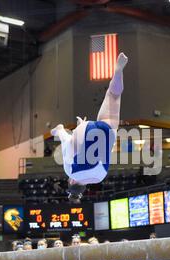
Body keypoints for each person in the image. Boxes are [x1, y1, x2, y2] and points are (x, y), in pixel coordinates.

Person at [51, 53, 128, 201]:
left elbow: (103, 151)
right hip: (86, 133)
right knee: (67, 139)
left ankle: (119, 71)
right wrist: (62, 131)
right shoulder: (71, 172)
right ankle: (66, 129)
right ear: (71, 181)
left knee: (114, 96)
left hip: (106, 134)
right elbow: (68, 143)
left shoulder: (100, 177)